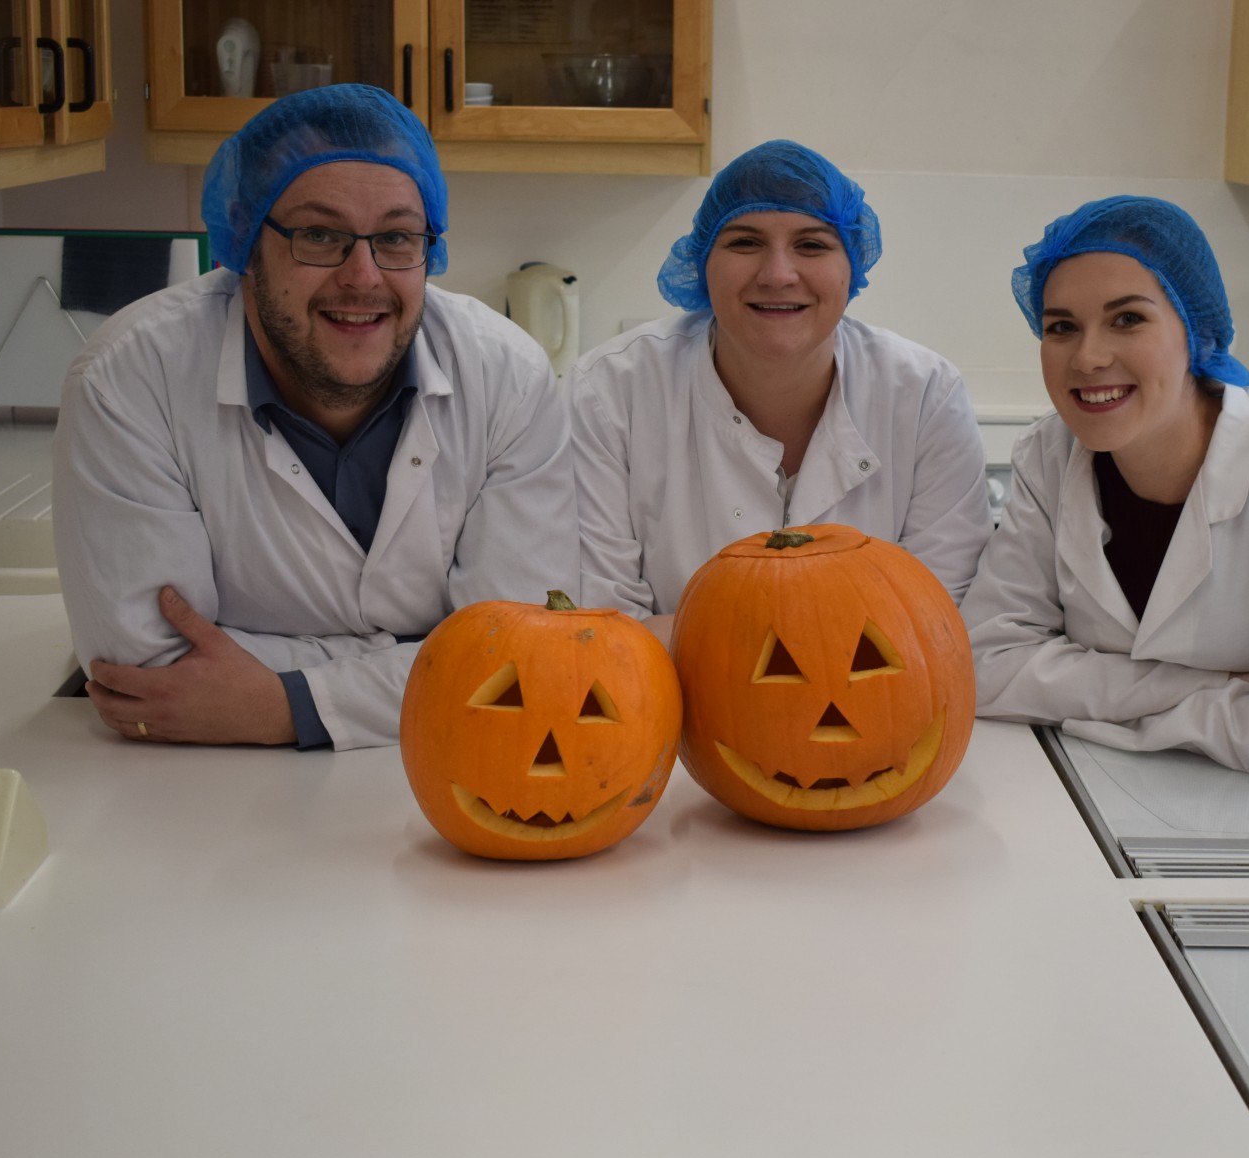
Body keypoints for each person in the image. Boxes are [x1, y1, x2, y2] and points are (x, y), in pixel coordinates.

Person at [52, 84, 578, 751]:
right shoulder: (130, 379)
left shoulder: (509, 377)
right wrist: (428, 656)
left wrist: (286, 705)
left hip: (460, 772)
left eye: (395, 238)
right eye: (320, 235)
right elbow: (149, 671)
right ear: (244, 238)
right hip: (201, 795)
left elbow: (525, 656)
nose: (362, 277)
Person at [960, 196, 1249, 782]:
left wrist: (1088, 703)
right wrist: (1216, 690)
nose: (1088, 357)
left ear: (1196, 330)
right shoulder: (1050, 453)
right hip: (1103, 797)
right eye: (1061, 327)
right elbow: (984, 666)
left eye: (1127, 319)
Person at [568, 139, 991, 638]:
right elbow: (596, 629)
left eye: (811, 245)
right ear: (703, 260)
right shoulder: (610, 392)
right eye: (745, 242)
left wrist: (692, 633)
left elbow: (934, 627)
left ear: (852, 264)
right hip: (670, 712)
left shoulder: (924, 397)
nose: (778, 275)